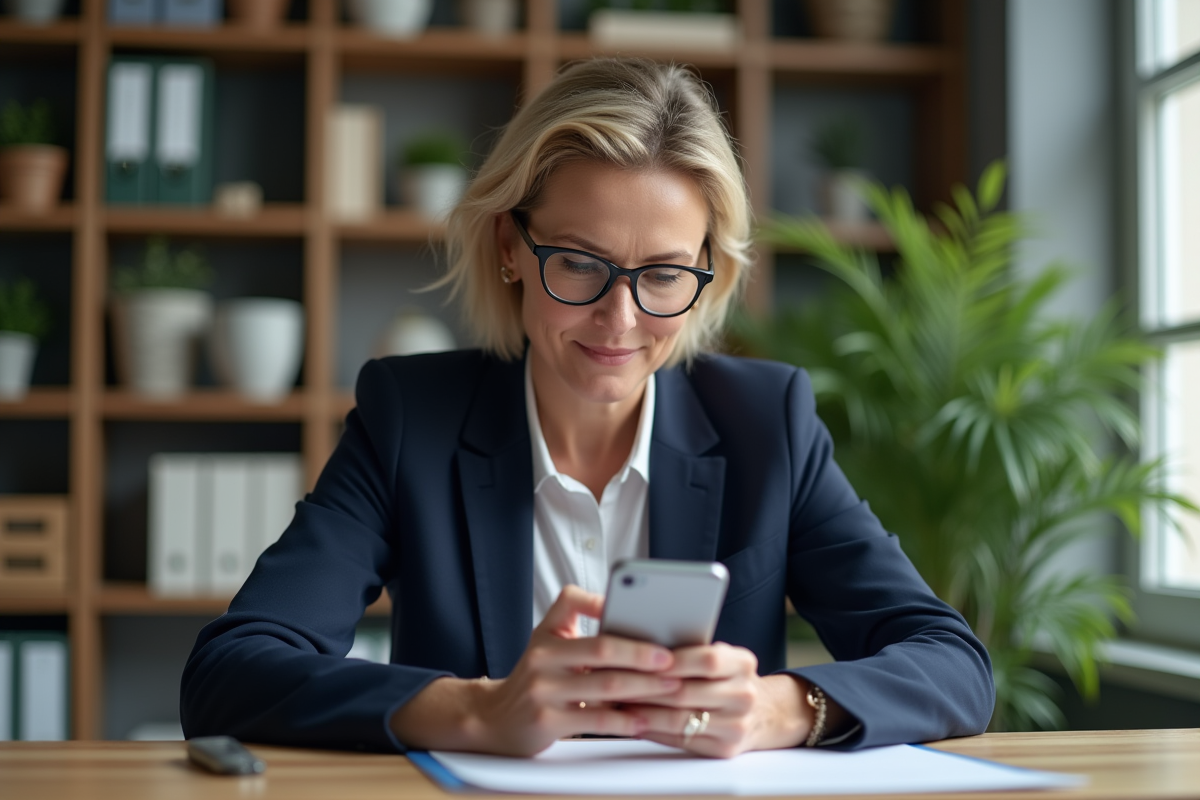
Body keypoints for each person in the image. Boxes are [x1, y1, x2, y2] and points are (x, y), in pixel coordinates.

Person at [181, 58, 994, 758]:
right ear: (510, 248)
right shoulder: (411, 420)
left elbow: (952, 663)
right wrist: (476, 709)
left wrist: (781, 710)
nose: (622, 319)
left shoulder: (766, 425)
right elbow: (230, 670)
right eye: (579, 263)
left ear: (711, 269)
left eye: (666, 274)